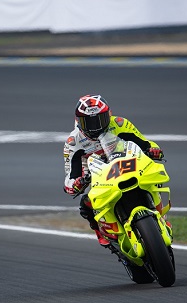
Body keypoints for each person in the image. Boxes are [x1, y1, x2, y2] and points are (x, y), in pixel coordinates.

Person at [63, 94, 165, 246]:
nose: (95, 126)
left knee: (152, 179)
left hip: (126, 164)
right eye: (89, 122)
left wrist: (153, 150)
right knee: (86, 205)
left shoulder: (120, 123)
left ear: (109, 114)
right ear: (78, 121)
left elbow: (144, 143)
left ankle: (161, 217)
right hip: (97, 173)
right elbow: (71, 175)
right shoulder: (73, 142)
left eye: (100, 119)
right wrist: (76, 183)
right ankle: (104, 234)